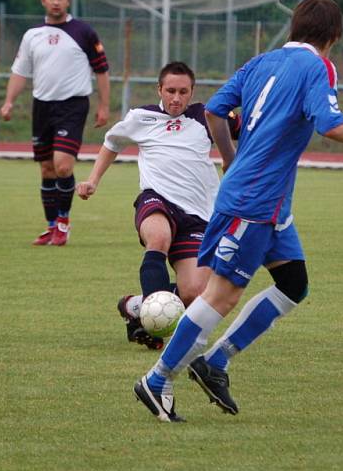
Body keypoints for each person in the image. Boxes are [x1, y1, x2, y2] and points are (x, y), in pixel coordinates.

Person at [133, 0, 343, 422]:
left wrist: (230, 157)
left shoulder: (261, 61)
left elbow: (216, 110)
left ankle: (215, 362)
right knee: (222, 295)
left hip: (270, 201)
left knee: (294, 285)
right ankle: (158, 379)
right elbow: (329, 125)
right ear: (333, 37)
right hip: (254, 202)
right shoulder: (318, 66)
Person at [76, 62, 239, 350]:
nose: (176, 98)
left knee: (194, 293)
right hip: (157, 200)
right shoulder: (142, 117)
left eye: (183, 92)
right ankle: (152, 325)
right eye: (170, 91)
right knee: (159, 237)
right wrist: (93, 180)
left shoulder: (206, 115)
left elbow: (248, 126)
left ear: (192, 92)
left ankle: (136, 305)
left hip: (199, 214)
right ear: (159, 90)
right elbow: (112, 143)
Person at [0, 0, 110, 246]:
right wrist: (9, 101)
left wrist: (104, 105)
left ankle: (63, 222)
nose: (56, 1)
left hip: (72, 105)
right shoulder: (32, 35)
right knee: (47, 169)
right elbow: (19, 71)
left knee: (62, 164)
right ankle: (51, 226)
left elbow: (102, 70)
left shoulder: (83, 32)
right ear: (43, 1)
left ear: (68, 1)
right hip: (42, 107)